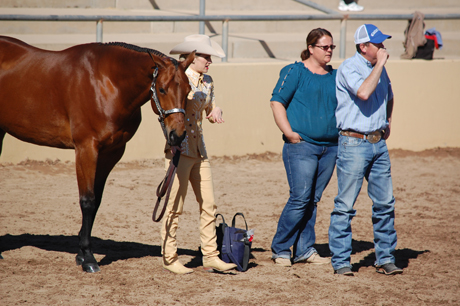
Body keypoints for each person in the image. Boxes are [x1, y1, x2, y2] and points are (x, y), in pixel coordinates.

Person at [329, 24, 403, 276]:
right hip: (353, 143)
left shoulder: (379, 69)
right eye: (378, 44)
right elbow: (363, 92)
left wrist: (388, 121)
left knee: (385, 203)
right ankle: (341, 262)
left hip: (378, 143)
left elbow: (389, 95)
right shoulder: (350, 67)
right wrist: (380, 65)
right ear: (363, 47)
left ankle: (385, 258)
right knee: (345, 206)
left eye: (383, 44)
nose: (383, 48)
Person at [160, 34, 237, 274]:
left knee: (209, 204)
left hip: (199, 151)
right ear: (192, 58)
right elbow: (169, 115)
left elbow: (209, 106)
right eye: (206, 56)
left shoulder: (208, 81)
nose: (209, 61)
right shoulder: (177, 80)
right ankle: (169, 257)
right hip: (180, 151)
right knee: (175, 205)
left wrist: (215, 110)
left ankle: (211, 255)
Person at [270, 28, 339, 267]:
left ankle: (304, 249)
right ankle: (280, 249)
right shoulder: (294, 71)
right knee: (300, 197)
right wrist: (289, 133)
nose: (329, 51)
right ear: (311, 48)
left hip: (330, 148)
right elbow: (277, 101)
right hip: (301, 147)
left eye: (332, 47)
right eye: (324, 47)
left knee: (312, 200)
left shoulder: (336, 76)